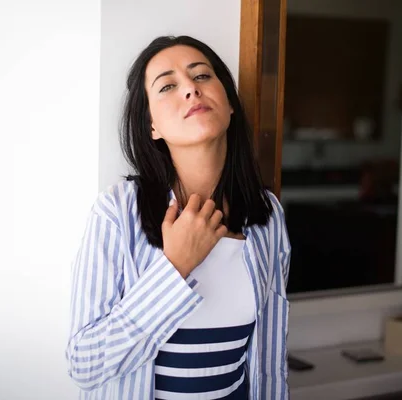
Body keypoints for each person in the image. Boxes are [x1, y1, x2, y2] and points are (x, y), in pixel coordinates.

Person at [66, 35, 291, 400]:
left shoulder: (267, 216)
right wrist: (175, 267)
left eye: (202, 76)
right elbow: (85, 365)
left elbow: (269, 361)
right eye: (168, 85)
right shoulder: (117, 214)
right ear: (151, 126)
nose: (190, 89)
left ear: (230, 104)